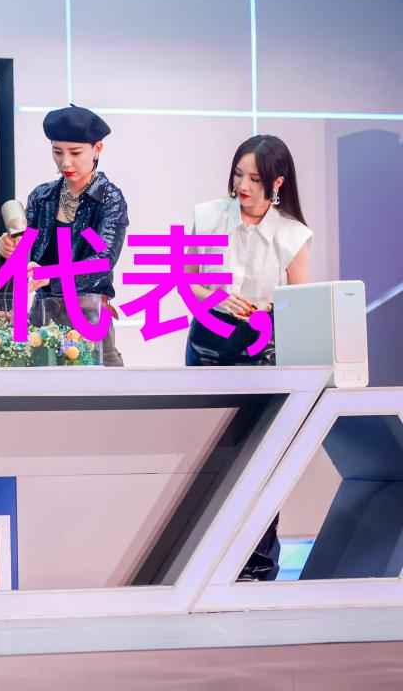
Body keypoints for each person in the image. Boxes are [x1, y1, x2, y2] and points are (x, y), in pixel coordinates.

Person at [184, 134, 312, 582]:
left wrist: (271, 308)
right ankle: (204, 566)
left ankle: (256, 566)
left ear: (277, 182)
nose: (243, 185)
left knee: (260, 460)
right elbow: (187, 281)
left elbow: (302, 301)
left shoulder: (292, 233)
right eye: (239, 175)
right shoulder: (208, 216)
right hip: (208, 343)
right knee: (209, 458)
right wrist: (215, 296)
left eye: (255, 179)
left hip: (263, 347)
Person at [0, 105, 127, 366]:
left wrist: (52, 275)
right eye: (57, 152)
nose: (65, 162)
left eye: (75, 152)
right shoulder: (42, 197)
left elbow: (102, 260)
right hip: (43, 317)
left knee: (97, 388)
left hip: (87, 315)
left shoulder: (108, 199)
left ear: (97, 149)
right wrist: (9, 248)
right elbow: (28, 256)